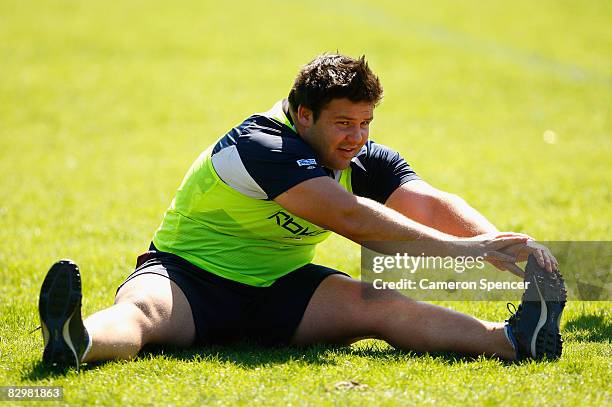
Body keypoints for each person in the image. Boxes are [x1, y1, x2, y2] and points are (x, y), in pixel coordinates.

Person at [38, 54, 566, 372]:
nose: (357, 138)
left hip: (286, 288)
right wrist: (466, 253)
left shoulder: (355, 152)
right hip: (189, 277)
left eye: (366, 123)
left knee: (379, 304)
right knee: (142, 315)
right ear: (303, 114)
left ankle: (515, 340)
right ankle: (77, 340)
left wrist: (505, 245)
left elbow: (427, 202)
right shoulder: (261, 144)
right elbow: (353, 220)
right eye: (344, 123)